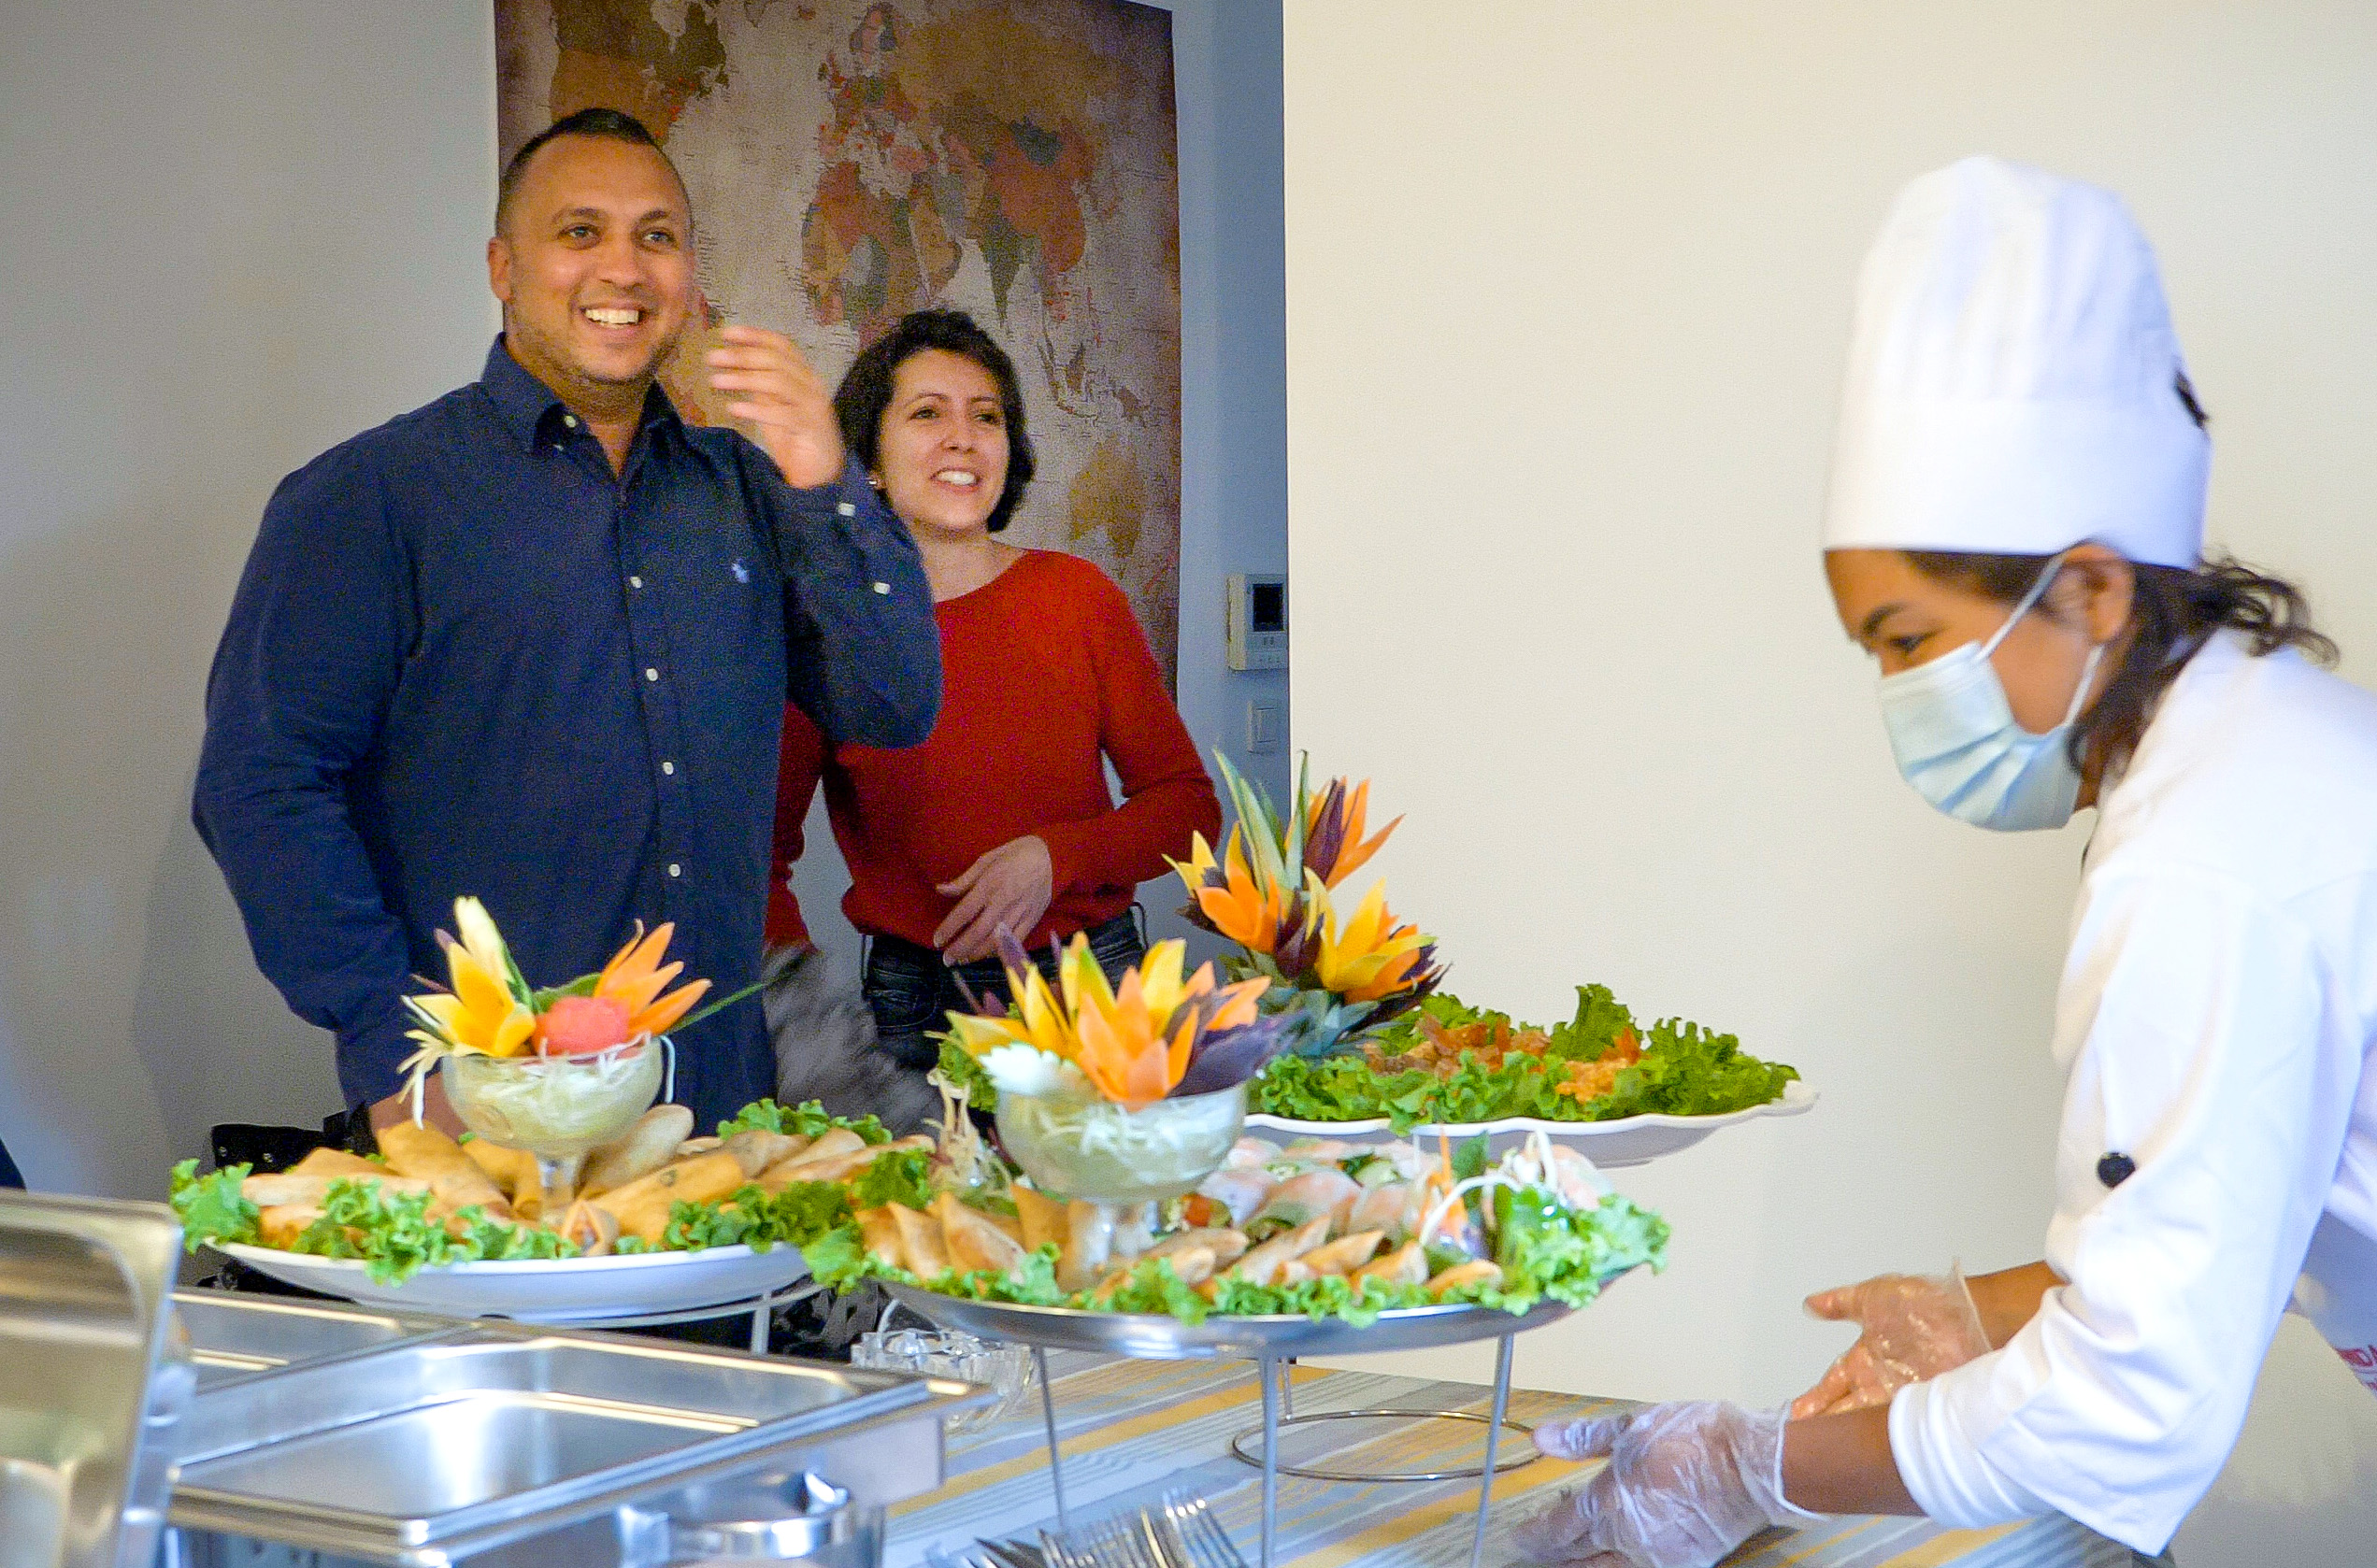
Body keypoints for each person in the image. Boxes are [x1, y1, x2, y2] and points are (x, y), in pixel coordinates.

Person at [1514, 157, 2377, 1568]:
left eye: (1908, 641)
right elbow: (2231, 1206)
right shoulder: (2260, 742)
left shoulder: (2204, 863)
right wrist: (1987, 1310)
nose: (1899, 695)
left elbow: (2122, 1407)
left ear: (2090, 588)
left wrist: (1746, 1463)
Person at [194, 107, 939, 1143]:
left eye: (658, 236)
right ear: (503, 265)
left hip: (721, 1110)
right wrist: (394, 1054)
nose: (623, 269)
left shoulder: (752, 491)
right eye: (579, 232)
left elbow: (893, 703)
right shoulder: (370, 496)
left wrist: (827, 480)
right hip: (490, 1113)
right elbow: (261, 784)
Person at [764, 309, 1219, 1128]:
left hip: (1093, 995)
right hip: (910, 1019)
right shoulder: (826, 635)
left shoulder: (1078, 600)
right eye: (927, 413)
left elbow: (1189, 811)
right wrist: (804, 1023)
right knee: (915, 1250)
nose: (963, 438)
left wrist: (1059, 855)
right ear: (866, 462)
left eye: (986, 416)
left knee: (1106, 1244)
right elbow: (759, 856)